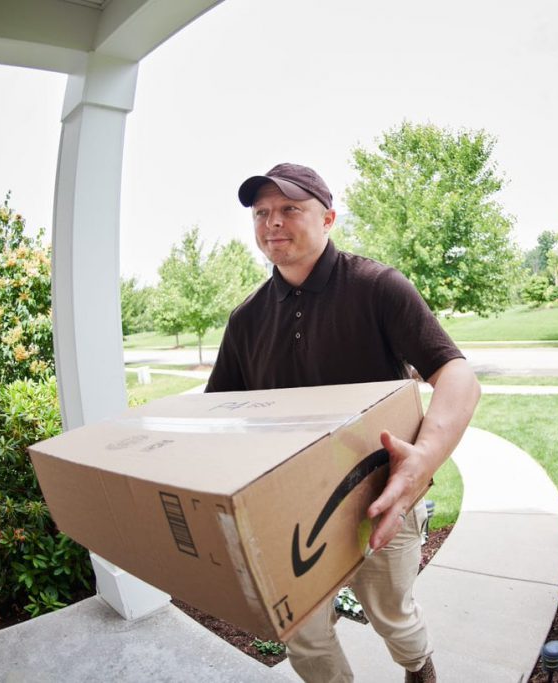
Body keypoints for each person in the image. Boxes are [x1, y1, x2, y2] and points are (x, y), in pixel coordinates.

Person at [206, 162, 481, 683]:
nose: (273, 222)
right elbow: (219, 413)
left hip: (379, 500)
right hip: (288, 513)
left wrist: (423, 461)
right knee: (304, 634)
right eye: (262, 212)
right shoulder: (246, 320)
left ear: (328, 217)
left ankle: (418, 668)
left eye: (290, 208)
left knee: (392, 616)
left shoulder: (378, 287)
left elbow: (457, 375)